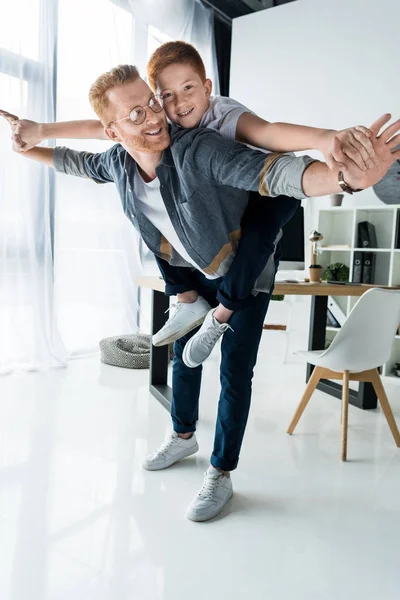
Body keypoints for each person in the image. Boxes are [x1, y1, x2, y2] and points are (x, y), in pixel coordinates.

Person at [1, 65, 399, 522]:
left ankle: (221, 472)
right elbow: (72, 161)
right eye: (137, 114)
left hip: (243, 275)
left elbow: (275, 173)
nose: (154, 117)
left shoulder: (198, 148)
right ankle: (183, 436)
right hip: (193, 275)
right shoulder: (116, 162)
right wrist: (27, 149)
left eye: (152, 102)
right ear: (112, 131)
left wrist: (348, 180)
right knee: (181, 358)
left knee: (234, 374)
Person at [4, 41, 377, 370]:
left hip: (272, 188)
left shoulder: (217, 124)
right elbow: (95, 133)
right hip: (231, 202)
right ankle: (185, 299)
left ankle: (221, 315)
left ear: (207, 88)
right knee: (156, 217)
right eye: (162, 98)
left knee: (260, 234)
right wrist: (36, 137)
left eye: (184, 91)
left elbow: (269, 142)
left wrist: (335, 159)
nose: (167, 109)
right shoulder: (152, 128)